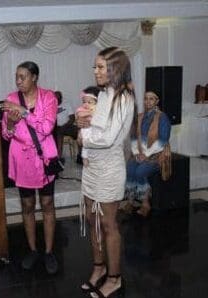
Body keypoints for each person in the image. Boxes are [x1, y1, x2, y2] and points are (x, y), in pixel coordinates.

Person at [76, 47, 135, 298]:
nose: (95, 71)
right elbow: (91, 126)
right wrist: (83, 126)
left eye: (100, 67)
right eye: (95, 66)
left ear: (115, 69)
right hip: (92, 167)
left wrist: (84, 138)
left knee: (109, 224)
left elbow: (109, 138)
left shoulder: (124, 98)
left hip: (110, 167)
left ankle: (115, 278)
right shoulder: (104, 94)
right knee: (92, 220)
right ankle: (99, 268)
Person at [0, 61, 59, 274]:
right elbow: (5, 134)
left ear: (34, 77)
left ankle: (50, 251)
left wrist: (24, 113)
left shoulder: (49, 97)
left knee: (47, 202)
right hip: (21, 159)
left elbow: (46, 127)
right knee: (27, 205)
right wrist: (12, 123)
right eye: (17, 77)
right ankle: (33, 250)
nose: (18, 81)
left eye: (22, 76)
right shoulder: (11, 99)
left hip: (44, 157)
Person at [124, 91, 171, 217]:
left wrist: (147, 155)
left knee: (140, 172)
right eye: (145, 99)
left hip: (156, 156)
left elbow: (163, 140)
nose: (148, 101)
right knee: (129, 169)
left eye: (151, 99)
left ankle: (145, 204)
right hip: (139, 154)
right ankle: (130, 201)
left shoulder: (162, 118)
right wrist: (136, 153)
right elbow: (133, 137)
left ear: (157, 101)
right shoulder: (140, 117)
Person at [76, 86, 100, 167]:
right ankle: (84, 158)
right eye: (84, 102)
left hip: (96, 133)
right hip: (85, 131)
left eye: (89, 102)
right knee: (85, 146)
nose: (86, 104)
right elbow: (79, 114)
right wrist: (90, 113)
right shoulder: (82, 109)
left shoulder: (99, 109)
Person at [54, 90, 74, 161]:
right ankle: (58, 158)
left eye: (58, 98)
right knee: (59, 132)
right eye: (55, 98)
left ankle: (80, 156)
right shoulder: (51, 106)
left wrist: (65, 125)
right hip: (55, 128)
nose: (57, 100)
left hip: (67, 126)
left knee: (80, 131)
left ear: (61, 98)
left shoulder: (66, 104)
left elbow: (72, 118)